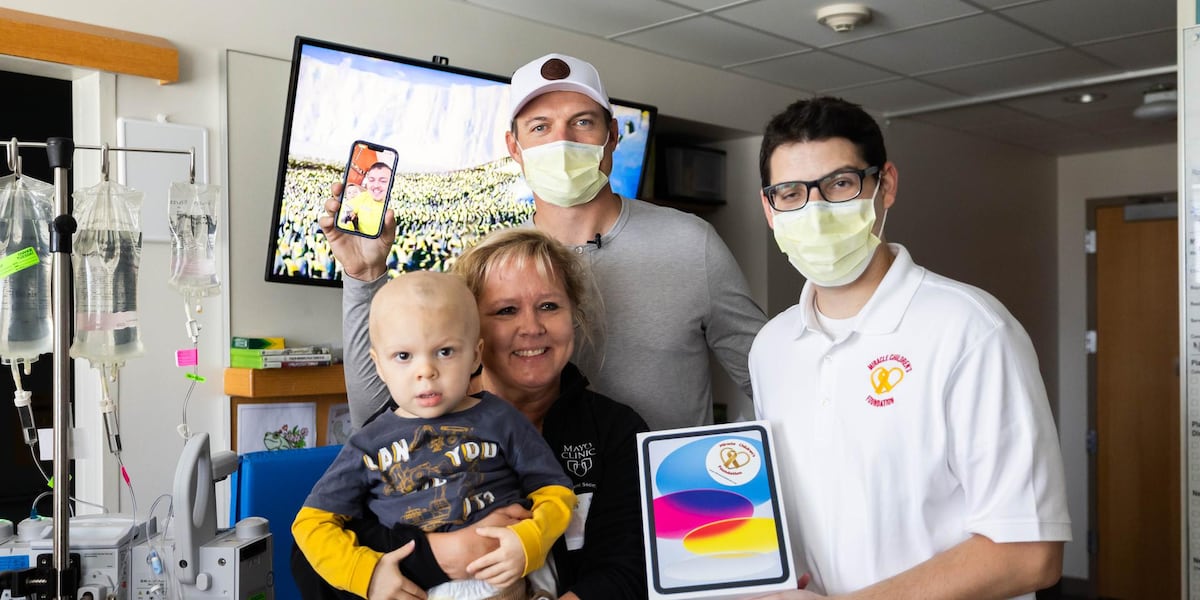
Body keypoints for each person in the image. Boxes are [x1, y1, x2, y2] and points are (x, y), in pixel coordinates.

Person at [747, 96, 1070, 599]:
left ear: (885, 186)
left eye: (839, 184)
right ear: (770, 209)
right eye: (790, 193)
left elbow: (1030, 553)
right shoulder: (772, 348)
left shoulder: (971, 329)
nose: (816, 212)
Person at [342, 53, 766, 431]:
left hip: (668, 503)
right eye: (540, 127)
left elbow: (768, 375)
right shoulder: (492, 267)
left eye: (582, 122)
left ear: (612, 136)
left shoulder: (689, 244)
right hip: (525, 505)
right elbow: (382, 418)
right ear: (515, 145)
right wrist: (363, 277)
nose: (562, 142)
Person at [295, 223, 650, 599]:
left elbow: (628, 569)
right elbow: (308, 562)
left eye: (549, 306)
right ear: (472, 333)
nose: (531, 327)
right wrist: (444, 555)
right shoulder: (389, 431)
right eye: (506, 311)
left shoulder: (616, 431)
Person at [293, 271, 576, 600]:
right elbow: (310, 525)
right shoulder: (367, 443)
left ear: (475, 354)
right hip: (417, 589)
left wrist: (531, 539)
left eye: (444, 352)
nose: (425, 371)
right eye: (403, 356)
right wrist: (367, 574)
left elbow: (556, 492)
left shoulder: (501, 419)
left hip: (505, 583)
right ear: (379, 366)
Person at [340, 162, 392, 237]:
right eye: (372, 180)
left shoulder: (394, 207)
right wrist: (350, 234)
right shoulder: (364, 197)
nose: (376, 185)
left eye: (383, 181)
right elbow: (345, 209)